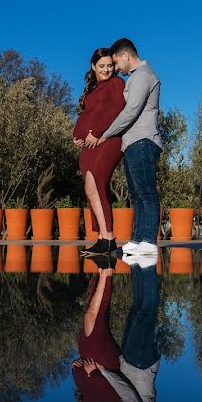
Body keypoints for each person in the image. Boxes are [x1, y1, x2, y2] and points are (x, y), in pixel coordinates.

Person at [83, 38, 162, 258]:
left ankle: (148, 240)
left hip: (144, 140)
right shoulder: (136, 77)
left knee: (146, 192)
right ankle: (138, 239)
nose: (115, 68)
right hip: (133, 141)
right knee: (136, 194)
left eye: (116, 63)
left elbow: (131, 111)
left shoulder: (142, 75)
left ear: (126, 56)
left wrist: (104, 135)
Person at [98, 261, 161, 402]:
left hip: (135, 362)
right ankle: (148, 265)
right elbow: (129, 397)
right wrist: (105, 372)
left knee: (136, 310)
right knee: (146, 312)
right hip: (139, 364)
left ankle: (137, 263)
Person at [72, 48, 126, 255]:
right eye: (101, 66)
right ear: (93, 67)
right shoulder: (92, 91)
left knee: (97, 185)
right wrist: (77, 135)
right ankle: (103, 237)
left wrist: (96, 132)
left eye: (110, 66)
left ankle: (109, 238)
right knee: (90, 189)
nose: (106, 69)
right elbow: (86, 115)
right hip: (89, 145)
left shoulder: (117, 84)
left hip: (107, 140)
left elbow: (116, 110)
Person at [72, 257, 122, 402]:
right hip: (106, 363)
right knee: (93, 318)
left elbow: (80, 382)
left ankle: (102, 267)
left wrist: (76, 368)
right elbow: (114, 389)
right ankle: (107, 271)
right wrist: (96, 372)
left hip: (89, 358)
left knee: (93, 312)